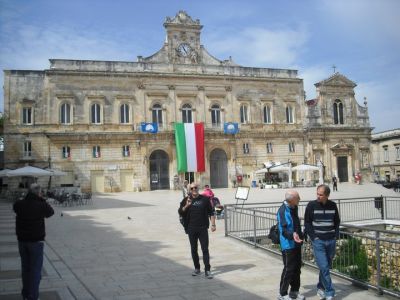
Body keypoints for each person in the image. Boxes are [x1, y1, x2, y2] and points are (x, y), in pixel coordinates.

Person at [13, 183, 54, 300]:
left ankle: (26, 294)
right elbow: (51, 212)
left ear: (28, 192)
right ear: (39, 193)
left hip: (22, 242)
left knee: (25, 268)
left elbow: (15, 207)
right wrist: (41, 200)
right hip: (36, 242)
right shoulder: (41, 205)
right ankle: (33, 296)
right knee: (35, 270)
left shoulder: (19, 204)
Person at [304, 184, 340, 300]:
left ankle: (320, 287)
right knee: (324, 267)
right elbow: (307, 223)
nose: (318, 196)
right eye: (317, 193)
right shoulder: (311, 205)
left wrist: (335, 236)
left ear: (327, 195)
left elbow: (337, 222)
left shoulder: (333, 205)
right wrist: (314, 238)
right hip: (318, 241)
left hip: (331, 240)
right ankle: (330, 291)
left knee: (326, 266)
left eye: (321, 194)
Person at [178, 182, 216, 279]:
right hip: (191, 229)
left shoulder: (205, 199)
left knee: (205, 249)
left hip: (203, 228)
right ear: (189, 190)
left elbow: (211, 212)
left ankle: (207, 270)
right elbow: (180, 212)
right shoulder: (186, 200)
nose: (194, 189)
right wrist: (187, 205)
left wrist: (213, 224)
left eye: (195, 187)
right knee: (194, 249)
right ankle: (197, 268)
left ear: (198, 188)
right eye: (192, 188)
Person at [277, 190, 305, 300]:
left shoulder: (294, 207)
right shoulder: (282, 210)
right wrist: (292, 235)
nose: (300, 199)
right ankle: (282, 293)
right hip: (288, 244)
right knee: (289, 269)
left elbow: (296, 224)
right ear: (292, 199)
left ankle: (294, 291)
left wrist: (300, 235)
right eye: (298, 197)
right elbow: (283, 230)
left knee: (297, 268)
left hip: (297, 242)